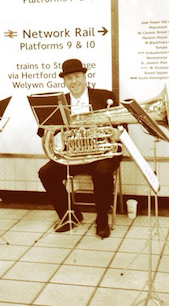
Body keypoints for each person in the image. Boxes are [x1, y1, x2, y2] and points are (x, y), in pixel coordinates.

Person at [38, 58, 121, 239]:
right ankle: (71, 215)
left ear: (85, 77)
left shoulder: (104, 96)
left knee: (102, 173)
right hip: (71, 155)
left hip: (101, 155)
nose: (74, 81)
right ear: (64, 81)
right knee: (45, 173)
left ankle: (101, 220)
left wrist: (116, 133)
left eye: (77, 76)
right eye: (69, 78)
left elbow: (121, 126)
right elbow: (40, 131)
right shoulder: (59, 102)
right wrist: (48, 129)